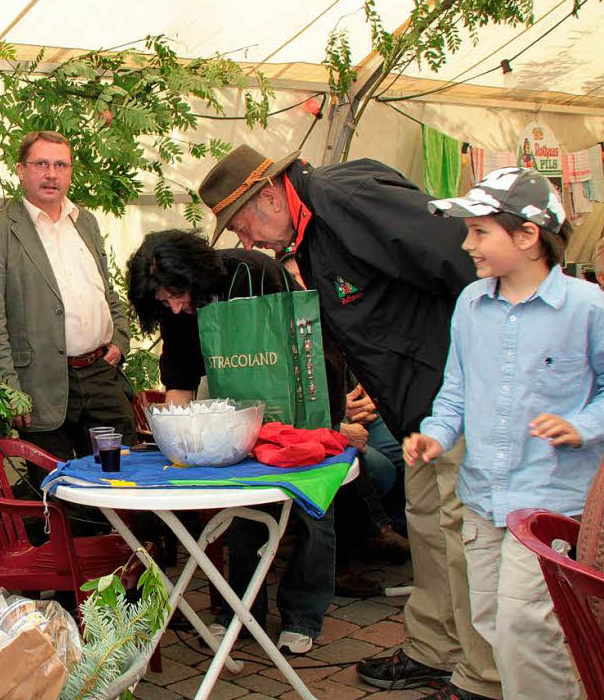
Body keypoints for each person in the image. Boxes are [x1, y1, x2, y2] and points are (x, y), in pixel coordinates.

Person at [198, 145, 498, 700]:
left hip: (457, 397)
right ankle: (434, 650)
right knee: (430, 525)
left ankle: (484, 677)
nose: (248, 242)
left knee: (466, 539)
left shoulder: (347, 199)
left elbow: (465, 258)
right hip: (412, 407)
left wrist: (480, 369)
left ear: (269, 193)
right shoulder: (310, 231)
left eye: (243, 225)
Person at [406, 166, 603, 699]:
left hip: (547, 500)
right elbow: (456, 389)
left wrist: (581, 425)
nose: (467, 244)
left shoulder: (588, 307)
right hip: (481, 499)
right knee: (495, 625)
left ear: (527, 235)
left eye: (479, 231)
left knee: (525, 630)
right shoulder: (470, 304)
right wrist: (436, 435)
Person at [126, 229, 345, 654]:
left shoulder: (253, 272)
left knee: (313, 512)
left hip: (305, 406)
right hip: (244, 418)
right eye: (162, 303)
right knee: (244, 510)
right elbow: (179, 373)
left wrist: (324, 423)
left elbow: (307, 343)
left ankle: (303, 615)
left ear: (194, 272)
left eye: (176, 295)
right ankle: (241, 614)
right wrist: (178, 434)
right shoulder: (173, 303)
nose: (173, 306)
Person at [0, 130, 135, 461]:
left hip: (101, 373)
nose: (51, 174)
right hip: (38, 385)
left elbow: (105, 290)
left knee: (125, 481)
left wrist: (120, 338)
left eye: (61, 165)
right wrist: (11, 392)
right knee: (57, 494)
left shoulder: (84, 221)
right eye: (41, 164)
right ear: (20, 169)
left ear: (71, 172)